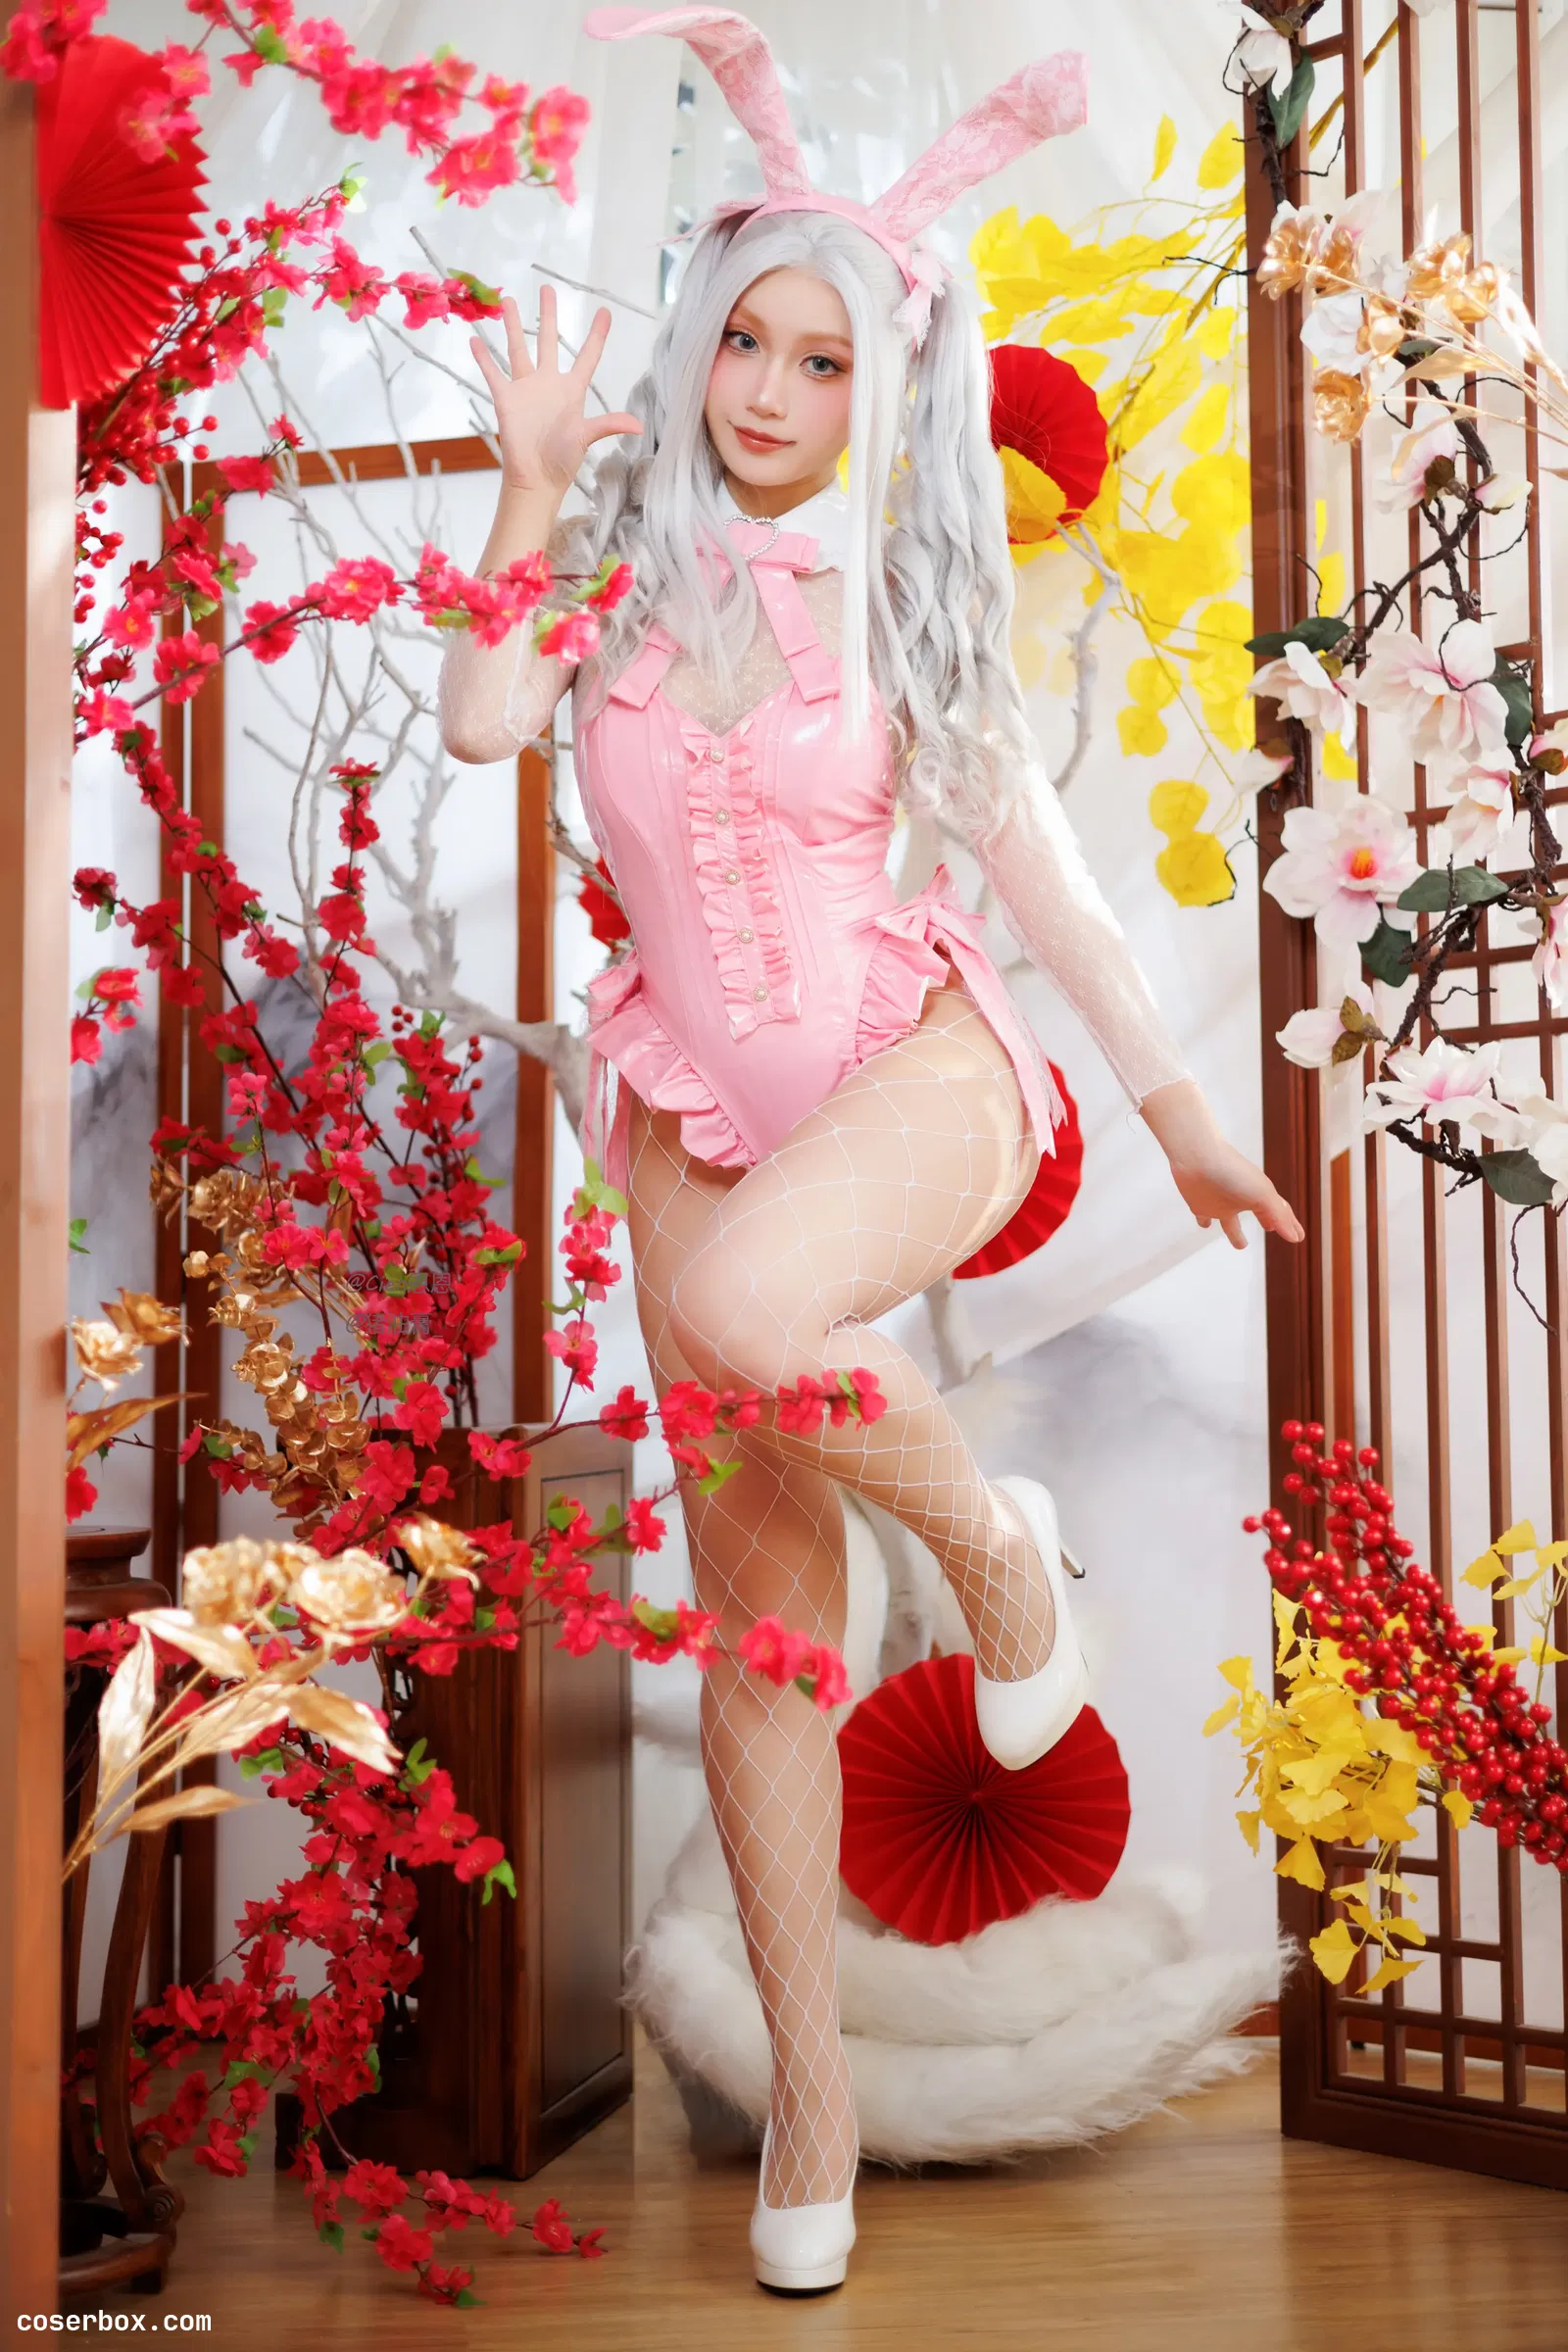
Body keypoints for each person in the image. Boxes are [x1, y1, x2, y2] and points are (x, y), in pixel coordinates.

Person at [439, 6, 1303, 2295]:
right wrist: (525, 483)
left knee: (751, 1311)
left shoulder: (905, 609)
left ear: (878, 391)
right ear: (694, 339)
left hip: (914, 1068)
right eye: (744, 340)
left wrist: (1180, 1115)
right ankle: (807, 2106)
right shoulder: (615, 574)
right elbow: (483, 713)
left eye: (822, 362)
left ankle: (1004, 1569)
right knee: (766, 1628)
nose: (769, 393)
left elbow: (1050, 888)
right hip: (687, 1099)